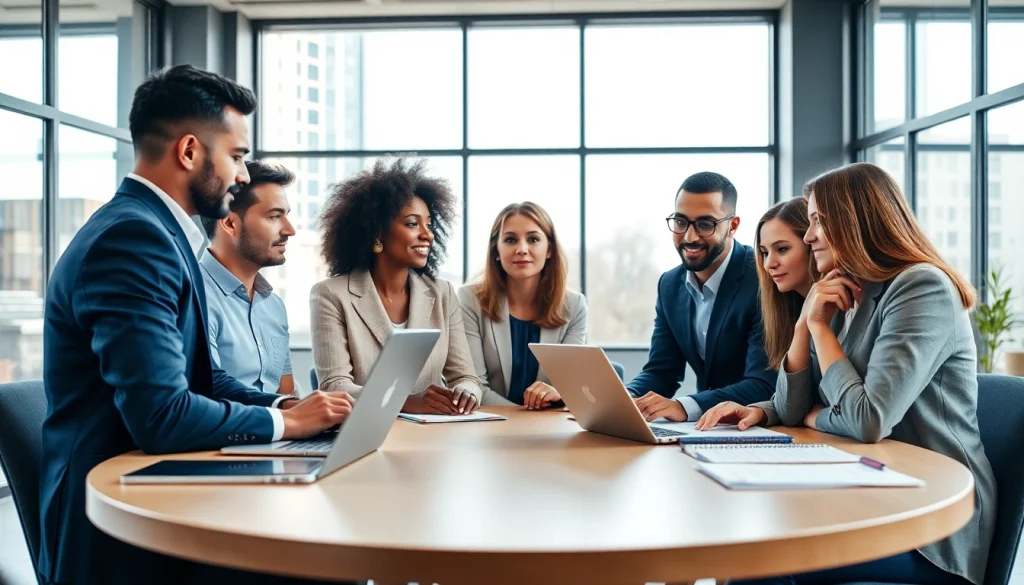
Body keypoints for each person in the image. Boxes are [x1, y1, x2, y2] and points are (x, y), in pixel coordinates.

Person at [39, 65, 354, 585]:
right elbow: (161, 414)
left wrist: (284, 406)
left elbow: (197, 379)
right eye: (236, 156)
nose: (244, 175)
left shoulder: (156, 232)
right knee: (318, 564)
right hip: (120, 529)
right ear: (189, 152)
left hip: (154, 492)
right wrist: (289, 428)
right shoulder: (133, 241)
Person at [697, 163, 996, 585]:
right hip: (870, 495)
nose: (809, 235)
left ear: (856, 219)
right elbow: (794, 405)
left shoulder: (921, 287)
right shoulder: (849, 291)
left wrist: (819, 344)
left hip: (929, 529)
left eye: (819, 220)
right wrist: (806, 325)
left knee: (760, 565)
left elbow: (867, 419)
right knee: (748, 547)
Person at [310, 157, 483, 415]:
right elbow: (335, 386)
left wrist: (466, 394)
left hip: (435, 434)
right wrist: (407, 401)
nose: (428, 234)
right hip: (367, 433)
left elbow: (466, 377)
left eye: (429, 223)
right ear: (377, 233)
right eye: (413, 223)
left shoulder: (442, 293)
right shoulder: (331, 295)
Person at [626, 171, 776, 422]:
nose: (689, 237)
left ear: (733, 226)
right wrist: (627, 397)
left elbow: (762, 383)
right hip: (706, 428)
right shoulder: (669, 285)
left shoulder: (762, 279)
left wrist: (684, 406)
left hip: (757, 427)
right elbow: (662, 372)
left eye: (705, 224)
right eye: (681, 222)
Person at [458, 202, 588, 409]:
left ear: (549, 250)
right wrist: (523, 417)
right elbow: (475, 386)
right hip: (489, 427)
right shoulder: (469, 299)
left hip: (550, 428)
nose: (521, 249)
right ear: (496, 252)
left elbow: (570, 387)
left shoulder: (574, 306)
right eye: (510, 240)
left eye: (533, 239)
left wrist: (559, 394)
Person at [199, 160, 299, 397]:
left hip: (283, 433)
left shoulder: (274, 305)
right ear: (230, 223)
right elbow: (205, 394)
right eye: (274, 217)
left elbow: (288, 397)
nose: (289, 230)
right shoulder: (193, 295)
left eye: (286, 216)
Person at [753, 198, 817, 371]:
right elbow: (787, 399)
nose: (769, 264)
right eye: (765, 253)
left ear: (812, 244)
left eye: (782, 249)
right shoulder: (789, 311)